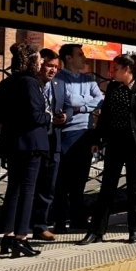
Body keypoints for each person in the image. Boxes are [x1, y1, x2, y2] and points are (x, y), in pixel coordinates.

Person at [79, 54, 136, 245]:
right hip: (115, 142)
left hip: (135, 145)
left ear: (127, 70)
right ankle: (96, 230)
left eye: (116, 68)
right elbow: (105, 116)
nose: (112, 72)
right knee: (107, 186)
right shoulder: (113, 87)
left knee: (135, 187)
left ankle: (134, 230)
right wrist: (97, 138)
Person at [0, 43, 51, 258]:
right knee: (28, 191)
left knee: (13, 190)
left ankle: (7, 236)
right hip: (32, 144)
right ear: (31, 62)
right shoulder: (31, 83)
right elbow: (36, 115)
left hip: (12, 143)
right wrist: (49, 116)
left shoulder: (7, 82)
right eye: (38, 59)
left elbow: (0, 116)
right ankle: (21, 237)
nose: (40, 63)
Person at [54, 44, 103, 233]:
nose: (85, 59)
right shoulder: (59, 79)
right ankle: (59, 220)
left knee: (80, 179)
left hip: (87, 133)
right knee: (63, 180)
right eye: (80, 55)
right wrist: (85, 101)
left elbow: (100, 100)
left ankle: (77, 218)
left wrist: (80, 107)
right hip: (67, 134)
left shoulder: (88, 79)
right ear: (68, 58)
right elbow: (68, 101)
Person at [30, 49, 70, 241]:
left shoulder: (59, 84)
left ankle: (40, 225)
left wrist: (65, 116)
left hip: (53, 142)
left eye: (56, 66)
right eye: (49, 66)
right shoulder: (31, 84)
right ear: (40, 65)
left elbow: (68, 106)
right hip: (34, 143)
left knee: (48, 187)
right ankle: (21, 225)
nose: (53, 70)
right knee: (30, 186)